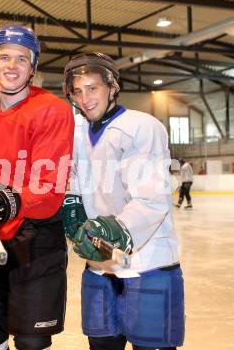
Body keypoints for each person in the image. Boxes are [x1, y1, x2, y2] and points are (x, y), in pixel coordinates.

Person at [0, 25, 75, 350]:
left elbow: (50, 187)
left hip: (34, 236)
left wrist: (9, 200)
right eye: (4, 57)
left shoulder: (53, 110)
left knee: (31, 339)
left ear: (33, 67)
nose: (12, 66)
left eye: (22, 59)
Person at [61, 53, 185, 350]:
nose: (85, 97)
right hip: (100, 266)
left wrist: (116, 228)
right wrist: (73, 205)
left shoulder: (141, 126)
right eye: (78, 91)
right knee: (101, 345)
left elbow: (152, 198)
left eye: (92, 88)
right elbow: (78, 180)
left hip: (148, 264)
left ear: (112, 87)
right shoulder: (77, 133)